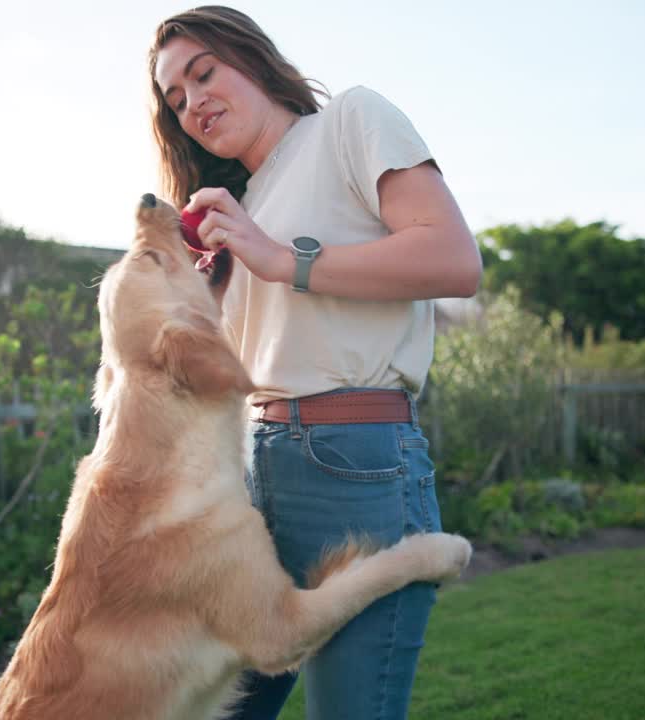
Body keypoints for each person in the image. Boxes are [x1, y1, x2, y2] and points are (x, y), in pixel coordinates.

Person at [148, 6, 482, 720]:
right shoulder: (239, 205)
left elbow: (454, 259)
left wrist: (279, 259)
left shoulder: (349, 122)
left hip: (353, 474)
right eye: (175, 99)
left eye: (204, 73)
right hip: (250, 479)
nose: (193, 102)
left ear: (255, 60)